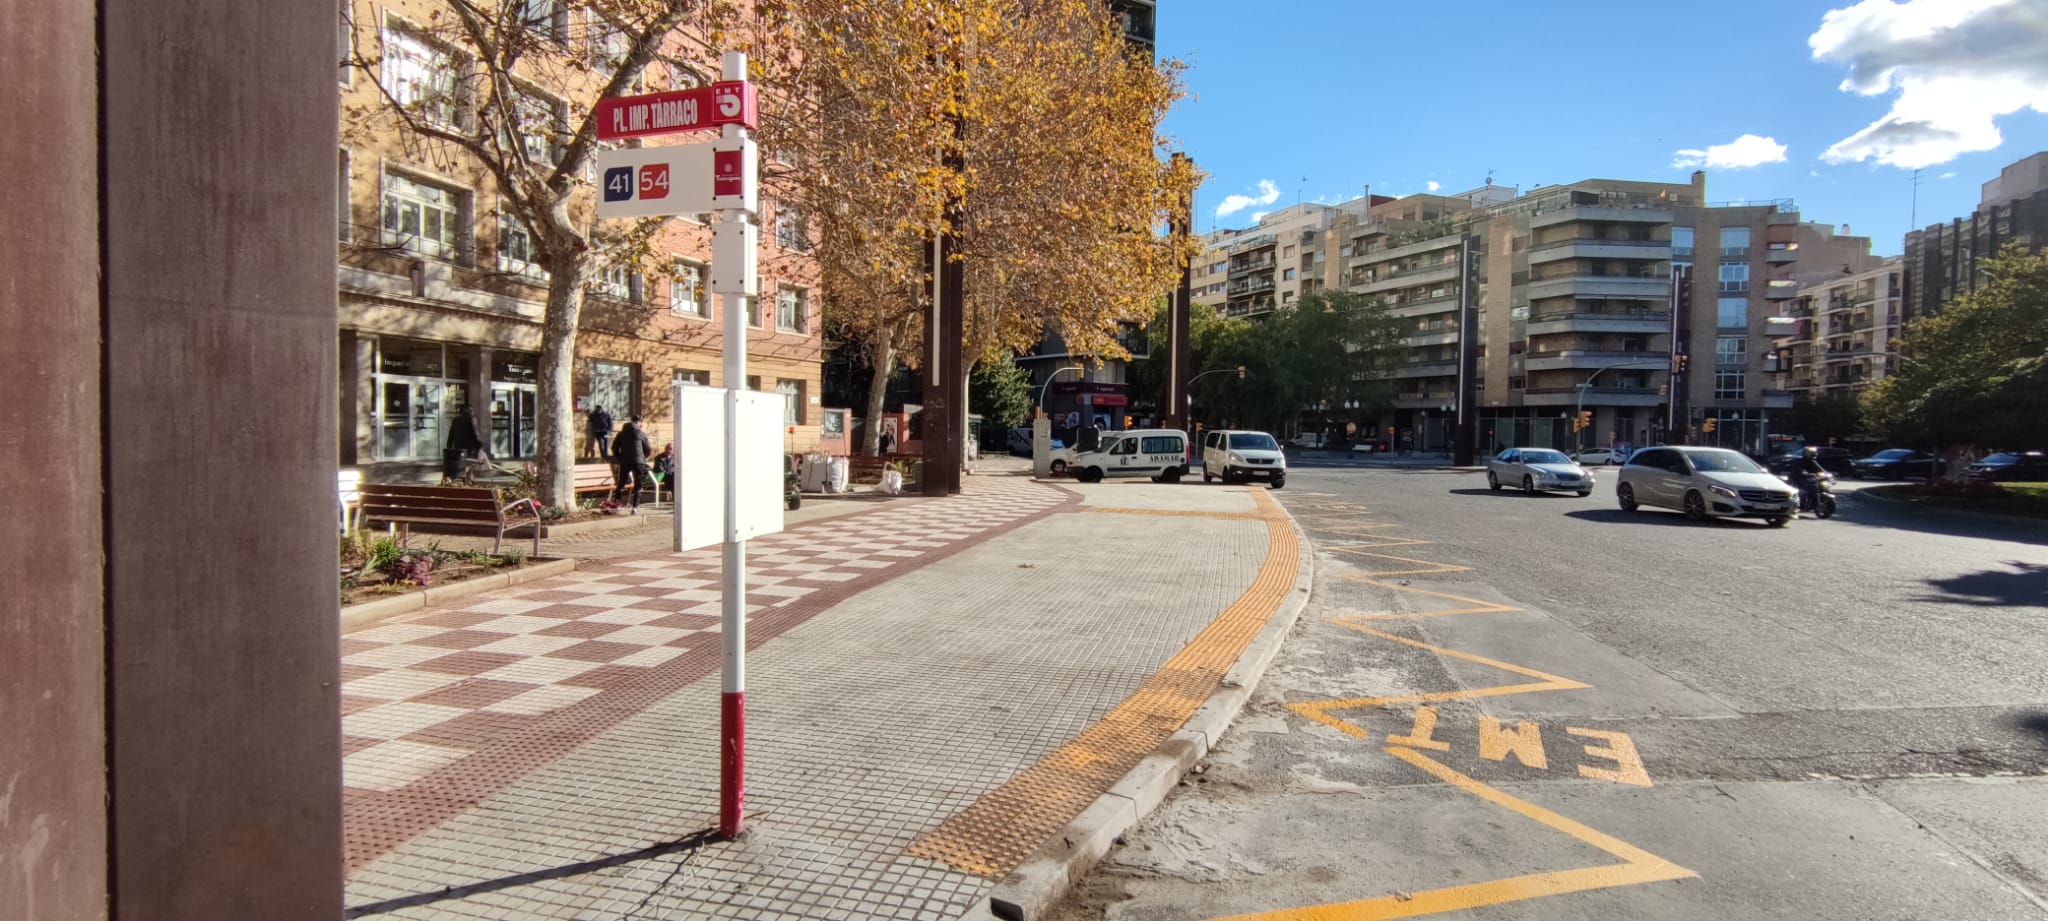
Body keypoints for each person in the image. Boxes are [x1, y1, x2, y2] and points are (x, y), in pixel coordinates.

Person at [611, 414, 653, 513]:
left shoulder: (621, 434)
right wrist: (643, 457)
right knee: (638, 484)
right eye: (641, 423)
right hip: (638, 461)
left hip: (625, 461)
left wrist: (620, 457)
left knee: (621, 483)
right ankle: (635, 507)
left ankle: (617, 505)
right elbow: (648, 449)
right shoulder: (641, 433)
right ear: (639, 422)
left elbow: (614, 448)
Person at [443, 404, 485, 481]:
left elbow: (451, 435)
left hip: (459, 449)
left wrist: (449, 448)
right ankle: (467, 481)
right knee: (469, 467)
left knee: (465, 466)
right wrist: (481, 444)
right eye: (472, 410)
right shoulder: (471, 419)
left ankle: (468, 482)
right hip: (470, 449)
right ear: (469, 411)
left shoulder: (455, 419)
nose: (473, 412)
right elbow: (475, 433)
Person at [1792, 446, 1827, 512]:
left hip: (1808, 478)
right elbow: (1800, 470)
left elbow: (1820, 469)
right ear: (1807, 453)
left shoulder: (1812, 461)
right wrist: (1804, 473)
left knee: (1817, 488)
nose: (1813, 454)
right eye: (1811, 453)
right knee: (1803, 492)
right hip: (1798, 479)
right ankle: (1801, 506)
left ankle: (1812, 504)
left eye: (1814, 453)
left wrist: (1826, 474)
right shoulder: (1800, 461)